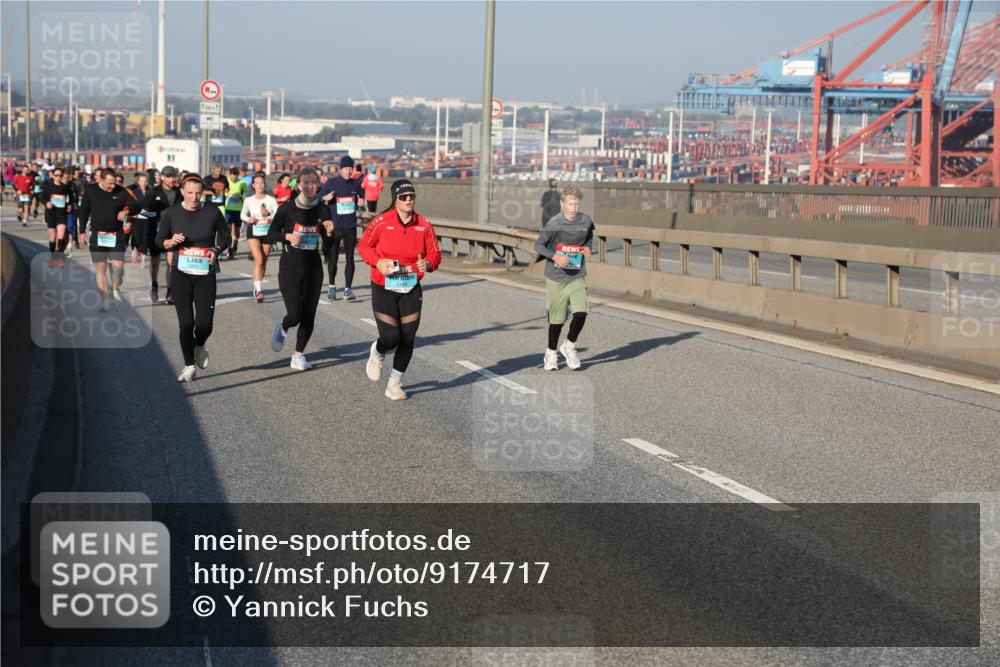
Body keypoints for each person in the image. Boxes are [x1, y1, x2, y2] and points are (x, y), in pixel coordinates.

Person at [358, 179, 441, 401]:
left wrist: (429, 264)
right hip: (383, 285)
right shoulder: (381, 222)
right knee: (391, 336)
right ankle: (377, 350)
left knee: (409, 335)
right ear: (395, 200)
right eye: (404, 197)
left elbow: (435, 253)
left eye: (411, 196)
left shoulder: (424, 225)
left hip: (411, 285)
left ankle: (394, 383)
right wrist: (378, 262)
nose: (408, 200)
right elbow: (364, 246)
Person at [156, 174, 230, 382]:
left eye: (198, 193)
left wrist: (216, 249)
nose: (194, 197)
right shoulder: (171, 213)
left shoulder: (212, 212)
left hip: (205, 272)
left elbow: (226, 237)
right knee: (186, 323)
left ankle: (199, 344)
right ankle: (189, 365)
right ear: (182, 192)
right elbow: (159, 240)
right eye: (190, 193)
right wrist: (170, 242)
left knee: (205, 324)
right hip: (181, 274)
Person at [267, 167, 333, 371]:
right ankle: (284, 326)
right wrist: (287, 237)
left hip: (313, 266)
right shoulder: (287, 209)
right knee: (295, 314)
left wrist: (330, 233)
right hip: (290, 266)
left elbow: (328, 246)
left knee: (309, 314)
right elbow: (269, 235)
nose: (310, 186)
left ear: (318, 185)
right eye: (306, 182)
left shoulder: (323, 210)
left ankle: (298, 355)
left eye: (314, 182)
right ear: (298, 185)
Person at [533, 184, 594, 371]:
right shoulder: (555, 224)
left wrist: (587, 249)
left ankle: (569, 345)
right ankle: (551, 352)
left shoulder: (586, 220)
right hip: (556, 278)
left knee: (581, 313)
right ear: (562, 204)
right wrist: (554, 256)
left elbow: (589, 237)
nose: (574, 208)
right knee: (557, 321)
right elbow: (538, 246)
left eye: (576, 204)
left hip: (576, 275)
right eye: (570, 204)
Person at [79, 168, 140, 312]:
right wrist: (81, 231)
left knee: (118, 267)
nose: (113, 186)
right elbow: (83, 211)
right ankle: (104, 300)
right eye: (110, 183)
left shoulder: (120, 191)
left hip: (116, 234)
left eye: (114, 183)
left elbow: (137, 206)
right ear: (101, 179)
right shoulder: (91, 190)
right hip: (98, 235)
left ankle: (115, 288)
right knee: (101, 268)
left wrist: (126, 211)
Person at [318, 155, 365, 301]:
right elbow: (319, 197)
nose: (349, 171)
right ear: (341, 169)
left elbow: (361, 199)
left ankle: (348, 290)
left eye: (351, 168)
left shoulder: (356, 184)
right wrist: (325, 198)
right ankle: (332, 287)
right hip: (335, 226)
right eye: (346, 168)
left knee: (350, 258)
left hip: (350, 226)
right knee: (333, 258)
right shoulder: (332, 183)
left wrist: (361, 202)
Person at [139, 165, 182, 304]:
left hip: (172, 231)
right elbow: (142, 211)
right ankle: (154, 285)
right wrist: (156, 215)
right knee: (155, 263)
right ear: (162, 177)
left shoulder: (178, 191)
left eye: (173, 176)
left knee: (171, 263)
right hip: (156, 231)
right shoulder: (153, 191)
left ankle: (170, 291)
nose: (171, 179)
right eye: (168, 176)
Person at [240, 172, 279, 302]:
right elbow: (242, 215)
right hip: (254, 231)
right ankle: (258, 290)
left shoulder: (270, 200)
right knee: (259, 259)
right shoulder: (248, 200)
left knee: (263, 263)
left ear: (265, 184)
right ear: (253, 185)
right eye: (257, 183)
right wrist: (249, 219)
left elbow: (278, 216)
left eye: (262, 183)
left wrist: (268, 214)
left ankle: (257, 285)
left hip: (267, 232)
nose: (260, 185)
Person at [40, 166, 74, 267]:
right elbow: (42, 198)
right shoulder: (48, 187)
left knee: (61, 236)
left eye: (60, 175)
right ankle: (53, 258)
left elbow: (71, 199)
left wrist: (70, 205)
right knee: (53, 237)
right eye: (56, 175)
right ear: (53, 176)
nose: (58, 177)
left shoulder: (65, 187)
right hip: (51, 214)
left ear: (62, 176)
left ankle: (60, 257)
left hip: (62, 214)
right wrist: (47, 203)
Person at [224, 166, 248, 259]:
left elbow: (245, 195)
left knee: (237, 231)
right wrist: (229, 195)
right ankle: (229, 249)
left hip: (238, 209)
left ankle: (235, 244)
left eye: (235, 175)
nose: (233, 177)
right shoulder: (226, 181)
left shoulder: (242, 183)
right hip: (228, 209)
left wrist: (240, 196)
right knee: (229, 229)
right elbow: (223, 193)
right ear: (229, 175)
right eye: (232, 175)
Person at [127, 172, 151, 265]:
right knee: (137, 239)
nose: (143, 183)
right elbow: (131, 205)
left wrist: (150, 214)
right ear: (138, 181)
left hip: (147, 218)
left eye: (145, 181)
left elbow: (154, 206)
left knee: (145, 239)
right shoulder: (134, 191)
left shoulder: (151, 191)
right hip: (136, 219)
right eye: (142, 181)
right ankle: (135, 252)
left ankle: (143, 261)